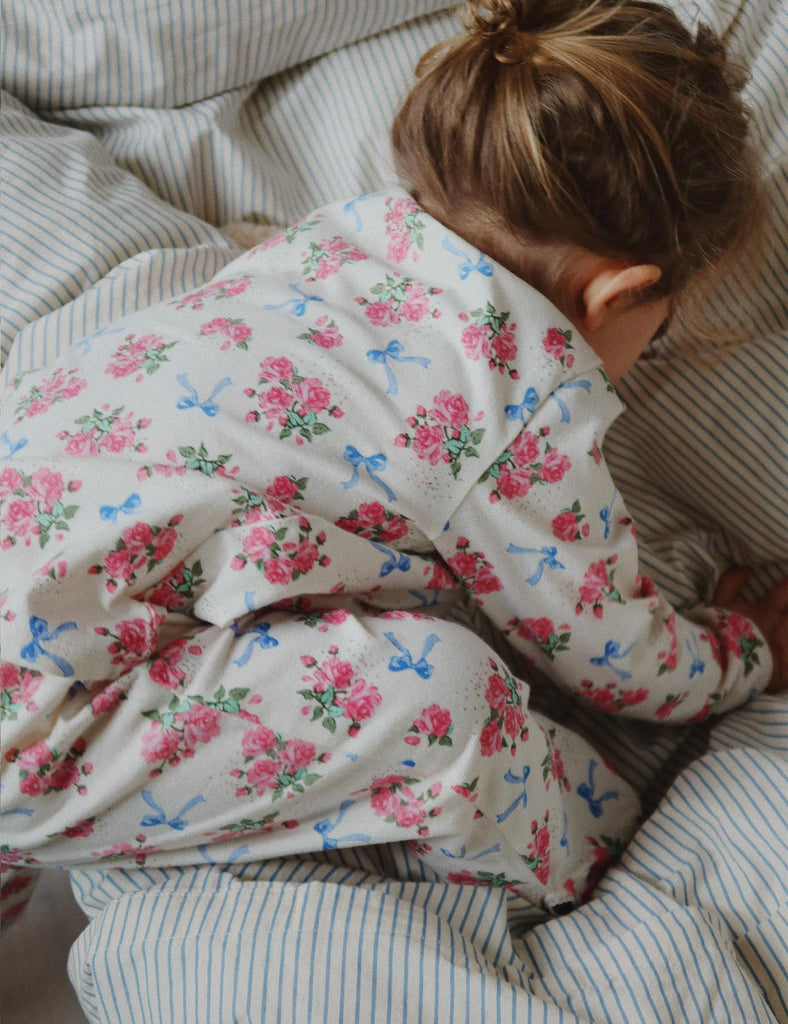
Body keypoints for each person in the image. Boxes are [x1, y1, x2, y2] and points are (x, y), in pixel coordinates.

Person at [1, 0, 786, 923]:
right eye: (657, 334)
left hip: (37, 571)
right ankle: (586, 873)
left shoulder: (325, 242)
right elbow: (615, 656)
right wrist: (748, 652)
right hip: (40, 733)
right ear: (621, 293)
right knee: (450, 701)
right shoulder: (517, 398)